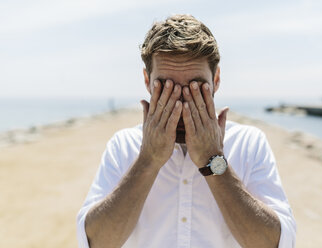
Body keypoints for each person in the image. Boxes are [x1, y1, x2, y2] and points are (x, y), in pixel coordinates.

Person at [77, 14, 296, 248]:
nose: (180, 104)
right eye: (166, 88)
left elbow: (277, 243)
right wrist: (148, 160)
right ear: (146, 81)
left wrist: (214, 162)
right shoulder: (123, 145)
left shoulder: (249, 143)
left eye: (195, 88)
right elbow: (94, 243)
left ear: (217, 79)